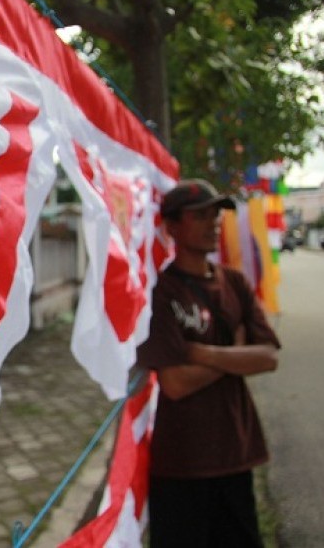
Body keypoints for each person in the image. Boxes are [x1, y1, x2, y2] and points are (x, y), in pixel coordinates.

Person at [136, 178, 280, 547]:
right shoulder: (162, 291)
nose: (213, 222)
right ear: (171, 226)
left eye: (216, 214)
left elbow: (267, 358)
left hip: (236, 452)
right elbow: (175, 384)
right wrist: (236, 352)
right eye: (200, 215)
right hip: (182, 461)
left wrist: (201, 352)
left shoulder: (235, 283)